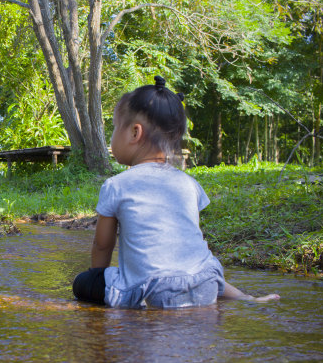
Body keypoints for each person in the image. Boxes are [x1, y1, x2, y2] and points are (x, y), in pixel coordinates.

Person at [73, 76, 280, 308]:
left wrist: (96, 278)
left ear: (134, 132)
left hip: (155, 290)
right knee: (197, 268)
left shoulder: (116, 185)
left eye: (114, 127)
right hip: (205, 284)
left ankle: (134, 298)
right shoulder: (189, 184)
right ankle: (245, 297)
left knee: (83, 283)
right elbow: (187, 242)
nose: (111, 136)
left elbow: (102, 245)